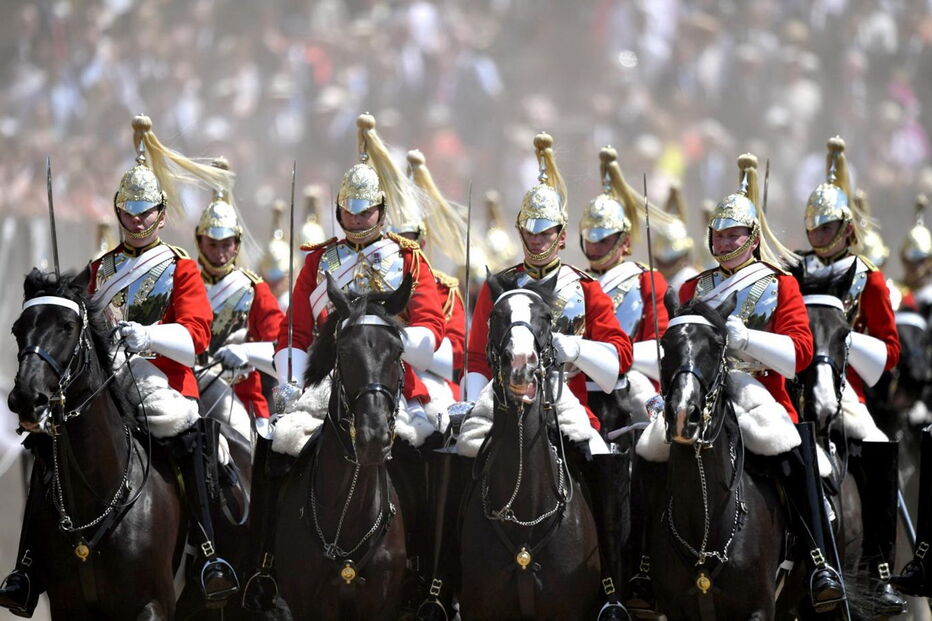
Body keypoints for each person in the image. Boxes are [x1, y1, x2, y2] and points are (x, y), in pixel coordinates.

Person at [0, 115, 239, 617]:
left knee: (187, 428)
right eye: (127, 212)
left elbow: (195, 338)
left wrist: (145, 334)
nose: (135, 221)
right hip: (104, 379)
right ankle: (26, 566)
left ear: (160, 213)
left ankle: (208, 554)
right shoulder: (98, 270)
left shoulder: (180, 267)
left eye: (144, 212)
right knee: (47, 444)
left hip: (161, 382)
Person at [240, 113, 448, 612]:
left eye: (366, 211)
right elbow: (296, 332)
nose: (356, 220)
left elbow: (432, 328)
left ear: (381, 210)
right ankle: (264, 565)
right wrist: (290, 384)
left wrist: (394, 342)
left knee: (431, 455)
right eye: (349, 212)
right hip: (328, 384)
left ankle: (428, 575)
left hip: (390, 382)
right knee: (277, 447)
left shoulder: (407, 259)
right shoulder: (318, 261)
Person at [463, 132, 634, 621]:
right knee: (456, 455)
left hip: (563, 398)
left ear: (562, 235)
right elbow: (477, 356)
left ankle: (611, 587)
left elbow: (619, 356)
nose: (537, 242)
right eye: (530, 233)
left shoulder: (584, 289)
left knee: (600, 458)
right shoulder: (498, 286)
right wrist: (468, 402)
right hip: (500, 396)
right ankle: (440, 580)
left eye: (546, 233)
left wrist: (572, 348)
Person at [676, 153, 845, 613]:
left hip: (759, 394)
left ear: (751, 238)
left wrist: (747, 338)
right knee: (653, 454)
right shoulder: (693, 288)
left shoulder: (779, 283)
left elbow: (800, 355)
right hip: (704, 393)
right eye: (719, 233)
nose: (724, 240)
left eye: (734, 233)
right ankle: (643, 567)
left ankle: (819, 561)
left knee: (795, 459)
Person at [797, 137, 906, 615]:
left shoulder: (870, 278)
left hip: (847, 392)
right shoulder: (794, 272)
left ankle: (880, 571)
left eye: (828, 230)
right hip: (796, 385)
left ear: (846, 229)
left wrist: (843, 341)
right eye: (814, 230)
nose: (819, 239)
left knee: (878, 449)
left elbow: (890, 351)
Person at [194, 156, 284, 431]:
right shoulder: (187, 284)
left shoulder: (254, 289)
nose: (220, 253)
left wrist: (246, 351)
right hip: (190, 395)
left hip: (241, 398)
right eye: (212, 244)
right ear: (200, 241)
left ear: (237, 245)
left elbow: (281, 347)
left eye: (226, 244)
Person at [654, 181, 699, 305]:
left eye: (670, 261)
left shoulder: (689, 279)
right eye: (661, 262)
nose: (665, 265)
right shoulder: (652, 280)